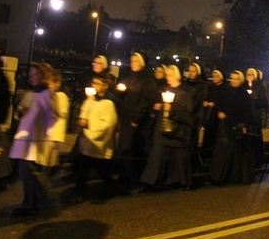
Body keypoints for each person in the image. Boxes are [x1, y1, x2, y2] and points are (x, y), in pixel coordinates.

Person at [8, 62, 57, 215]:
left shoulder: (47, 94)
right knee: (25, 174)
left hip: (34, 142)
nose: (32, 78)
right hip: (25, 140)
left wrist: (38, 125)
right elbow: (25, 112)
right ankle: (31, 203)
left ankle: (40, 202)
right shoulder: (33, 93)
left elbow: (52, 116)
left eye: (36, 75)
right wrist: (22, 112)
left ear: (44, 76)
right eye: (31, 75)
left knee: (31, 174)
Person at [139, 65, 195, 191]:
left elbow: (189, 117)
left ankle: (181, 182)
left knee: (179, 159)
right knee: (156, 157)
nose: (167, 77)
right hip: (162, 132)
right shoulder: (164, 91)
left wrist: (173, 110)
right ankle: (150, 182)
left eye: (169, 75)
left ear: (176, 76)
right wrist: (157, 108)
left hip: (178, 133)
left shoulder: (185, 94)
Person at [65, 72, 118, 203]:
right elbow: (83, 113)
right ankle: (78, 192)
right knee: (83, 168)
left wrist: (89, 124)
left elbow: (109, 124)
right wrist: (81, 122)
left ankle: (110, 187)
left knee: (102, 170)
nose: (94, 85)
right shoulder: (91, 100)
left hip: (98, 144)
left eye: (97, 83)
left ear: (105, 86)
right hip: (87, 142)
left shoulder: (108, 103)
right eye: (93, 83)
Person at [115, 53, 157, 188]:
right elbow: (125, 98)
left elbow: (147, 101)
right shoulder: (129, 77)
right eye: (131, 61)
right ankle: (124, 175)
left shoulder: (148, 80)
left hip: (139, 121)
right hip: (127, 117)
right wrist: (120, 92)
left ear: (142, 63)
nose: (133, 63)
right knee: (124, 147)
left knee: (136, 148)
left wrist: (136, 117)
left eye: (136, 61)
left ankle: (136, 177)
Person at [209, 71, 258, 184]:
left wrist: (245, 125)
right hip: (225, 125)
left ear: (240, 80)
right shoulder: (225, 92)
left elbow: (248, 112)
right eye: (232, 78)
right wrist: (219, 113)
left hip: (238, 126)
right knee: (223, 151)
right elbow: (218, 106)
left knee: (237, 153)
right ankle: (219, 176)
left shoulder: (244, 94)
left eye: (236, 79)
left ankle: (237, 176)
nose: (234, 81)